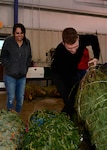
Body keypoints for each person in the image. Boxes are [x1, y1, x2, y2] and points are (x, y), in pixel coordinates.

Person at [51, 27, 100, 117]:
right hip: (59, 74)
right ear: (63, 43)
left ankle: (69, 115)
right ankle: (65, 119)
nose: (73, 51)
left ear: (78, 38)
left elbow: (94, 39)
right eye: (70, 49)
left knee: (75, 98)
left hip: (73, 70)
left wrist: (96, 57)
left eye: (76, 47)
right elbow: (67, 76)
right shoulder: (60, 52)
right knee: (70, 100)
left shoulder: (82, 40)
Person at [0, 23, 32, 113]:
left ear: (24, 33)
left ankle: (17, 117)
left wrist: (26, 67)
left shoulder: (27, 43)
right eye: (17, 33)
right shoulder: (8, 42)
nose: (19, 35)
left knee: (20, 98)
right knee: (11, 97)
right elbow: (3, 56)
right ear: (13, 33)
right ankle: (9, 117)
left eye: (21, 33)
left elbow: (29, 57)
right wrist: (8, 66)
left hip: (22, 76)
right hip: (10, 75)